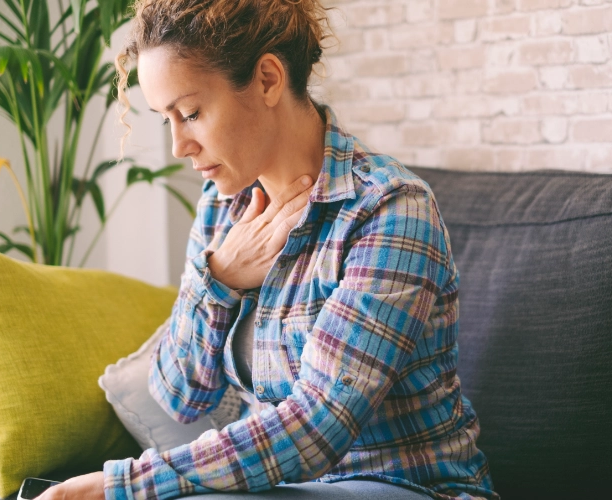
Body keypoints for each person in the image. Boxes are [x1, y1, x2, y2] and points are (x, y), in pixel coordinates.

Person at [39, 0, 498, 499]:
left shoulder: (389, 210)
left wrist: (119, 484)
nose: (178, 146)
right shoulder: (223, 205)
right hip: (286, 488)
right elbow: (179, 396)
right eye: (165, 119)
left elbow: (316, 427)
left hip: (409, 486)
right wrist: (218, 279)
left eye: (191, 113)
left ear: (267, 79)